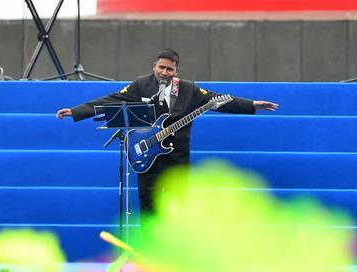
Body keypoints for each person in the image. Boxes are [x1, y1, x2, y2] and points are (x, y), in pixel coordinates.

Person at [56, 49, 278, 214]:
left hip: (176, 158)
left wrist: (252, 105)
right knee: (148, 208)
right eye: (161, 67)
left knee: (177, 210)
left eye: (169, 68)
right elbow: (111, 99)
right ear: (154, 66)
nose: (164, 72)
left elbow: (218, 100)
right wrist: (77, 111)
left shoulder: (189, 89)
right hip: (145, 156)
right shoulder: (141, 85)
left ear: (176, 71)